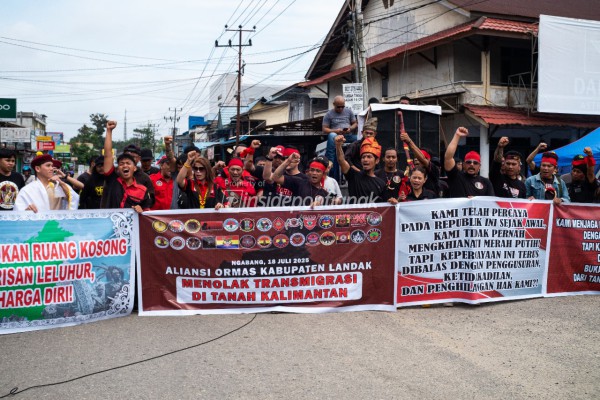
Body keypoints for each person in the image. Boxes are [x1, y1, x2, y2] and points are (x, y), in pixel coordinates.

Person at [100, 121, 152, 213]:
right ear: (118, 168)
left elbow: (147, 212)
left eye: (128, 163)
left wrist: (141, 210)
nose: (125, 165)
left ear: (134, 168)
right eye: (121, 164)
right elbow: (108, 155)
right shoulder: (112, 180)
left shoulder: (143, 190)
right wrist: (109, 131)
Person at [14, 154, 79, 212]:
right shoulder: (27, 190)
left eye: (52, 166)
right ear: (37, 169)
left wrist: (61, 183)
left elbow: (73, 199)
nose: (51, 168)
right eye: (48, 165)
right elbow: (19, 212)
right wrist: (27, 211)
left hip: (56, 221)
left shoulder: (58, 186)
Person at [444, 127, 495, 198]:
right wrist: (457, 135)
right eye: (468, 162)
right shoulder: (456, 176)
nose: (471, 164)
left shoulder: (486, 182)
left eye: (475, 163)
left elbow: (490, 201)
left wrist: (475, 200)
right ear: (463, 164)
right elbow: (448, 157)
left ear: (479, 166)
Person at [336, 134, 385, 203]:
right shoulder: (354, 175)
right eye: (363, 157)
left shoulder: (381, 183)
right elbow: (341, 161)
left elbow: (384, 205)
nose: (365, 159)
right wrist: (338, 146)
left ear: (376, 161)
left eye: (369, 157)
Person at [323, 95, 357, 181]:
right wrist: (335, 130)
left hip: (348, 135)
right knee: (331, 135)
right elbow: (324, 129)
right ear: (334, 104)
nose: (341, 108)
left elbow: (355, 123)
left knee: (359, 138)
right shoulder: (328, 114)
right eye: (338, 107)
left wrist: (350, 129)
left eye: (342, 106)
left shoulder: (349, 111)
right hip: (336, 136)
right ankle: (330, 161)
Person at [122, 144, 155, 208]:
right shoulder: (115, 174)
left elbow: (151, 200)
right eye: (127, 156)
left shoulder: (145, 178)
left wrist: (140, 207)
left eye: (133, 157)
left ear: (139, 158)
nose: (130, 160)